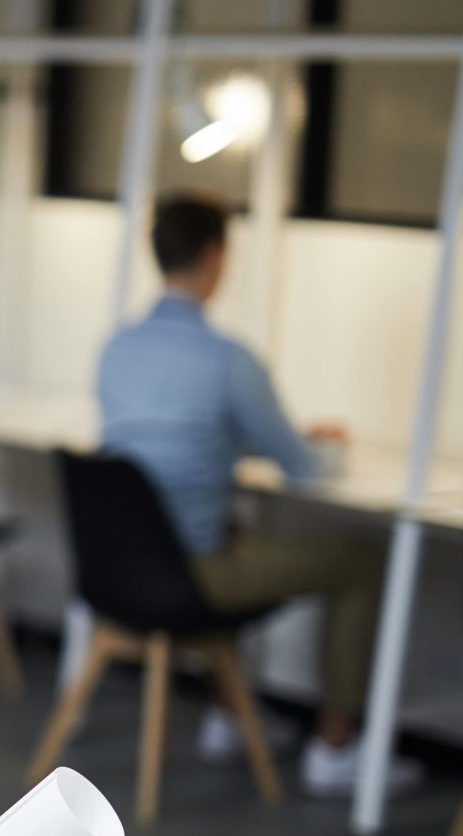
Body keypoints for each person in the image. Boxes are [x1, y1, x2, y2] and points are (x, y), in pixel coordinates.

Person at [96, 191, 419, 798]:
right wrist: (319, 446)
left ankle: (228, 714)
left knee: (240, 535)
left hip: (123, 569)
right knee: (361, 563)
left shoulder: (116, 349)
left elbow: (172, 441)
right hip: (194, 573)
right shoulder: (228, 360)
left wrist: (245, 443)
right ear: (217, 256)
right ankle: (336, 747)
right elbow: (302, 469)